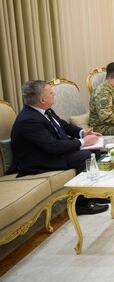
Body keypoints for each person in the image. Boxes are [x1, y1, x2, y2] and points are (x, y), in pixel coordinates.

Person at [10, 80, 108, 215]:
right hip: (38, 161)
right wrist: (83, 142)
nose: (54, 94)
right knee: (85, 156)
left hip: (51, 152)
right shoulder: (29, 120)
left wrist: (83, 133)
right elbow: (53, 147)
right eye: (51, 93)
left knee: (94, 150)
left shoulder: (45, 110)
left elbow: (64, 126)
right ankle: (81, 204)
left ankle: (92, 193)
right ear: (42, 99)